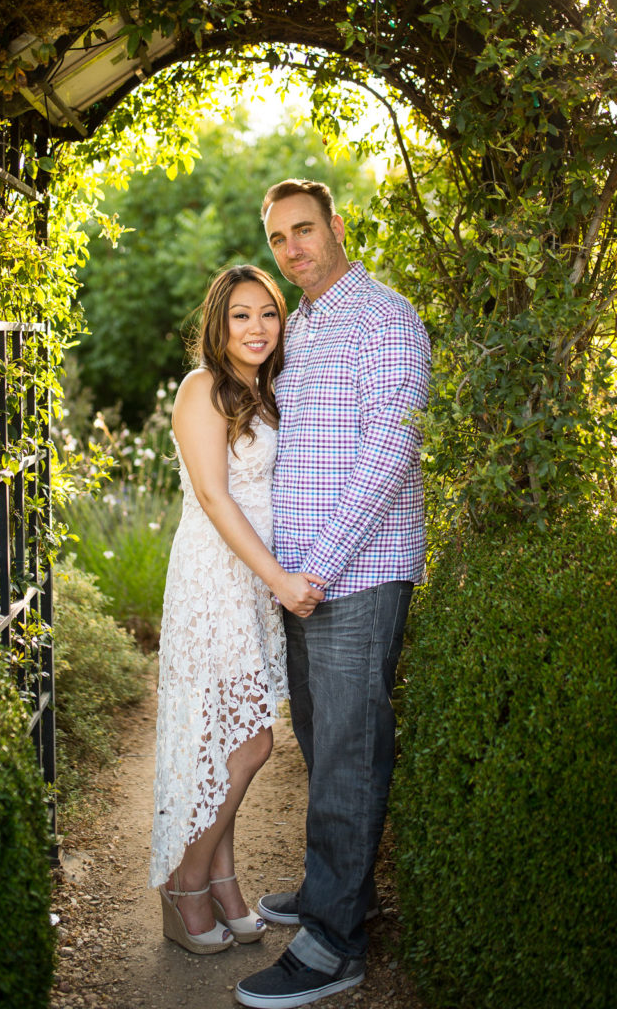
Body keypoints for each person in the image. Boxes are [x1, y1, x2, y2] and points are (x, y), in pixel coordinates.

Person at [236, 180, 431, 1008]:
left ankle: (333, 945)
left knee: (350, 756)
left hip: (358, 571)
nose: (292, 250)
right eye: (278, 238)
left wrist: (317, 569)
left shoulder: (386, 319)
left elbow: (389, 452)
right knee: (324, 743)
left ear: (336, 226)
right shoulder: (305, 324)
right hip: (305, 579)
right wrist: (289, 573)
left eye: (304, 231)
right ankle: (336, 892)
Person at [149, 264, 325, 956]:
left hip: (250, 580)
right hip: (215, 578)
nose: (257, 328)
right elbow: (215, 497)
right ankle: (185, 884)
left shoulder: (265, 390)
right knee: (249, 742)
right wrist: (280, 579)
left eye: (269, 314)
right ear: (218, 323)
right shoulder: (201, 388)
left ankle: (223, 883)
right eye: (241, 315)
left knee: (232, 739)